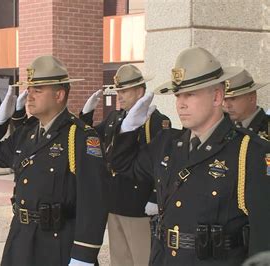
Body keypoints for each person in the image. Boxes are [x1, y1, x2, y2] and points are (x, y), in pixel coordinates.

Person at [107, 46, 270, 265]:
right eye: (178, 95)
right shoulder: (167, 144)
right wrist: (128, 128)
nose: (180, 104)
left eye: (190, 94)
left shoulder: (249, 151)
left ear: (217, 97)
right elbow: (122, 165)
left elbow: (263, 237)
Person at [0, 55, 108, 265]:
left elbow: (94, 200)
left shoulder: (80, 137)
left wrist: (84, 254)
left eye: (37, 90)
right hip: (21, 237)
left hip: (57, 242)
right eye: (29, 89)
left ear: (59, 95)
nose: (29, 96)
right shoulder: (26, 133)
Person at [80, 64, 171, 266]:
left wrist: (155, 197)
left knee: (141, 259)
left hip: (139, 204)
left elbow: (162, 164)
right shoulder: (115, 117)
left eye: (124, 91)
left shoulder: (156, 121)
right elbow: (90, 138)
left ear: (140, 90)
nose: (119, 96)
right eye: (118, 91)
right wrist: (86, 114)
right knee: (119, 259)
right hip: (114, 199)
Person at [223, 69, 269, 140]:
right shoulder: (225, 128)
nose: (227, 105)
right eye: (224, 99)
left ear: (251, 98)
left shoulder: (267, 128)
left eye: (233, 99)